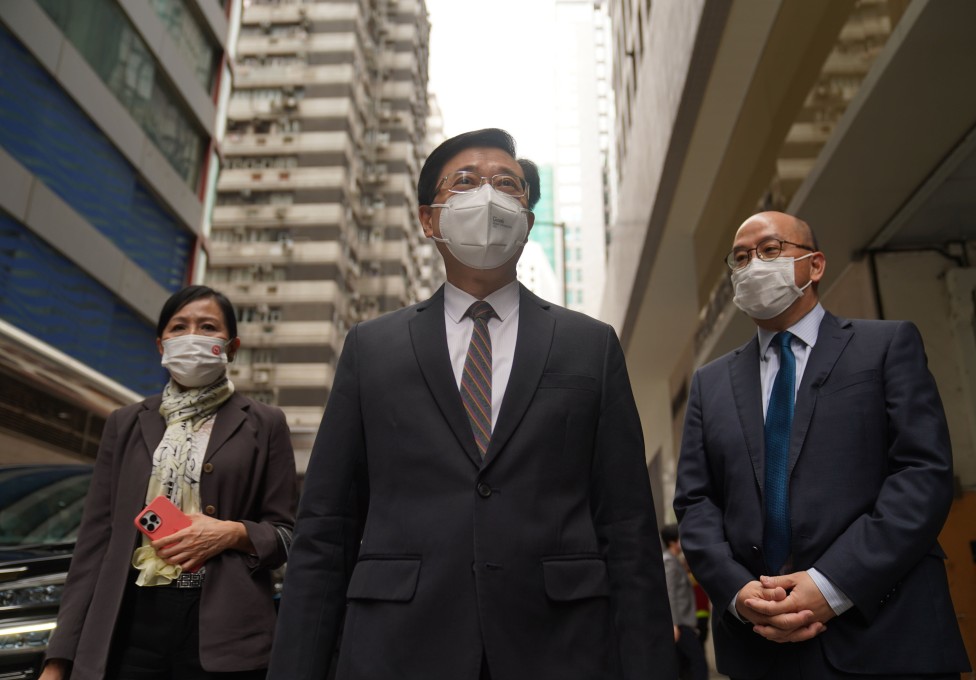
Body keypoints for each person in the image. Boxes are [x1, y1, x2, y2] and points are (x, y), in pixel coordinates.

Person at [267, 128, 676, 680]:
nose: (488, 195)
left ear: (527, 220)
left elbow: (628, 526)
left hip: (561, 646)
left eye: (507, 184)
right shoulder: (372, 348)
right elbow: (326, 526)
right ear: (429, 219)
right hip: (398, 645)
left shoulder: (590, 345)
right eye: (465, 182)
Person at [674, 211, 970, 679]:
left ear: (815, 265)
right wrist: (737, 593)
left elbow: (921, 473)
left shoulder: (887, 346)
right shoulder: (710, 384)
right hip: (760, 647)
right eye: (741, 257)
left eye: (770, 250)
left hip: (887, 635)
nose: (753, 265)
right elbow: (695, 501)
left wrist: (831, 584)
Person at [41, 285, 297, 680]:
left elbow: (287, 535)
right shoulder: (125, 423)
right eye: (179, 327)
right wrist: (58, 660)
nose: (192, 335)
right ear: (161, 345)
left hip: (226, 634)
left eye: (207, 326)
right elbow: (93, 545)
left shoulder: (265, 423)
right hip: (129, 624)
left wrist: (231, 533)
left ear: (231, 346)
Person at [661, 524, 708, 680]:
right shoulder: (669, 561)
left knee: (684, 665)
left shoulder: (674, 561)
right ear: (673, 542)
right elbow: (670, 592)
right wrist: (673, 624)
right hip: (680, 624)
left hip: (683, 623)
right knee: (698, 662)